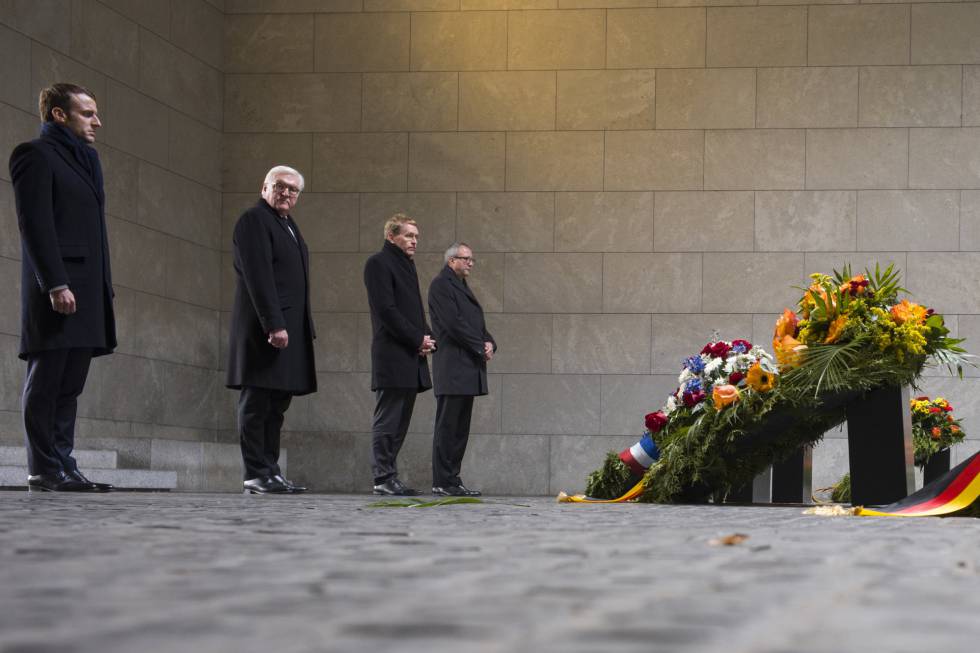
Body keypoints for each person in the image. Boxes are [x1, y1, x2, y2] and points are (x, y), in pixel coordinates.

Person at [9, 83, 117, 492]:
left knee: (70, 384)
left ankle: (63, 463)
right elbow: (34, 225)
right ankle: (43, 468)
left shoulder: (88, 159)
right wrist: (55, 283)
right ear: (59, 114)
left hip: (88, 289)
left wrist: (104, 286)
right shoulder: (33, 156)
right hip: (57, 289)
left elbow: (94, 232)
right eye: (88, 113)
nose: (97, 122)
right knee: (47, 379)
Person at [227, 166, 316, 494]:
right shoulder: (254, 220)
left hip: (288, 330)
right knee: (257, 402)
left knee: (276, 405)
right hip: (264, 329)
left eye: (293, 190)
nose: (287, 194)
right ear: (265, 187)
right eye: (280, 187)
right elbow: (258, 275)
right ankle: (255, 472)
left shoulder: (288, 225)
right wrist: (275, 324)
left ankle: (270, 471)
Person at [363, 214, 435, 496]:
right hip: (392, 354)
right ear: (391, 236)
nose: (414, 241)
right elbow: (386, 311)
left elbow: (413, 312)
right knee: (388, 419)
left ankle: (389, 476)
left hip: (409, 356)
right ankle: (382, 478)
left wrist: (428, 337)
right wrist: (418, 338)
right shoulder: (378, 263)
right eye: (408, 235)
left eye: (416, 236)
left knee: (400, 421)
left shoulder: (406, 265)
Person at [427, 243, 495, 496]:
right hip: (453, 366)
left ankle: (452, 480)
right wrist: (480, 346)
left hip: (466, 367)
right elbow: (453, 324)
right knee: (448, 427)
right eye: (465, 259)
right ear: (450, 261)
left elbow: (475, 324)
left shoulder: (460, 285)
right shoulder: (441, 285)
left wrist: (490, 343)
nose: (470, 263)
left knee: (459, 428)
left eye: (471, 260)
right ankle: (442, 481)